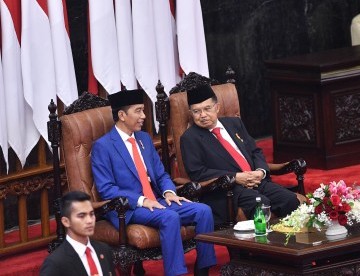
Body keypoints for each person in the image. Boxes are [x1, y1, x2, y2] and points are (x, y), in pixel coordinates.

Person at [91, 89, 216, 276]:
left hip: (158, 201)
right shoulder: (103, 146)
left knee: (203, 211)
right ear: (122, 115)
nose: (144, 116)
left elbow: (161, 174)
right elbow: (106, 189)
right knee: (169, 217)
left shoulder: (144, 139)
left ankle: (203, 270)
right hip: (128, 209)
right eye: (139, 111)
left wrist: (169, 192)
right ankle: (176, 273)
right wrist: (141, 200)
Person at [180, 84, 300, 226]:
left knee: (289, 200)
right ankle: (263, 247)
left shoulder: (234, 123)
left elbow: (255, 151)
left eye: (207, 109)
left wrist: (260, 172)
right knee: (261, 204)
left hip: (256, 180)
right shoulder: (189, 138)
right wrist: (235, 177)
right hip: (227, 191)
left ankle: (289, 245)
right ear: (191, 113)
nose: (203, 115)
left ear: (217, 107)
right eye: (196, 111)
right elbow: (197, 173)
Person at [40, 191, 115, 276]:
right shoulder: (55, 263)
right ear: (66, 221)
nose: (89, 220)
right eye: (81, 216)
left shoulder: (104, 250)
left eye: (91, 214)